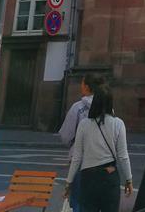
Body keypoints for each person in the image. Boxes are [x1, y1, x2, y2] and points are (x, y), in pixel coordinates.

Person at [65, 85, 133, 212]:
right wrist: (128, 179)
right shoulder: (118, 124)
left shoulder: (84, 125)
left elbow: (77, 157)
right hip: (110, 176)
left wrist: (69, 182)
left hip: (88, 177)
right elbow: (123, 156)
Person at [59, 74, 103, 212]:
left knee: (78, 199)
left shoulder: (77, 108)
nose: (81, 86)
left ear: (87, 87)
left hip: (81, 159)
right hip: (101, 158)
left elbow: (66, 135)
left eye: (82, 83)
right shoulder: (107, 108)